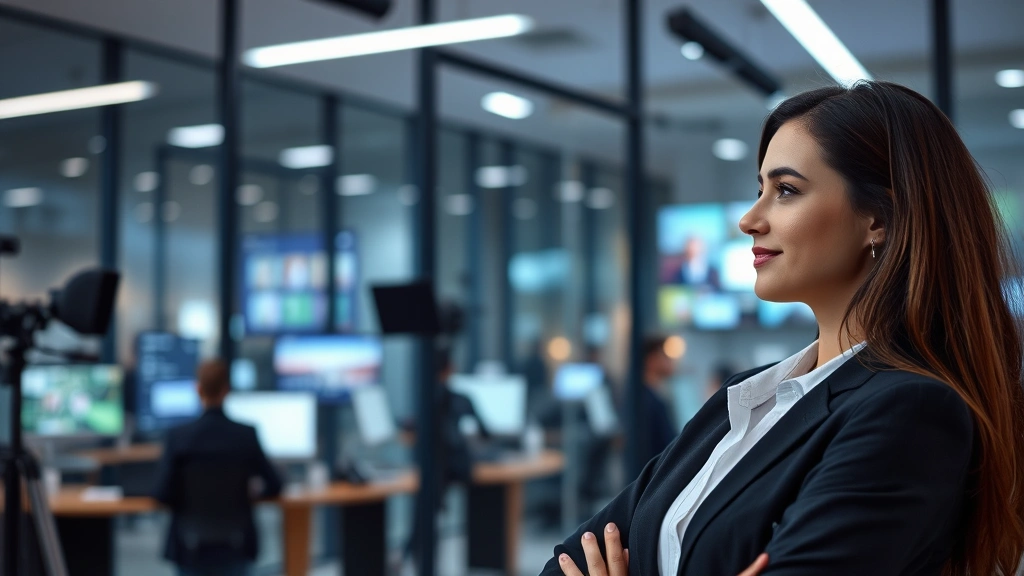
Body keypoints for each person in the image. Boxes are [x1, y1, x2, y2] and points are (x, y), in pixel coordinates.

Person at [543, 81, 1024, 576]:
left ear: (879, 218)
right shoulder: (744, 398)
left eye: (786, 191)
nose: (749, 219)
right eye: (760, 191)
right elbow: (564, 563)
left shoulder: (909, 410)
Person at [153, 360, 282, 576]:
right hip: (236, 546)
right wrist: (251, 493)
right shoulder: (245, 435)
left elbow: (162, 494)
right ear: (227, 390)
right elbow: (275, 485)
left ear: (198, 390)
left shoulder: (178, 437)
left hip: (189, 547)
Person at [636, 336, 679, 468]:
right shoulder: (645, 401)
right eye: (664, 356)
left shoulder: (656, 396)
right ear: (651, 360)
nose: (670, 361)